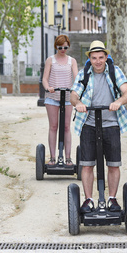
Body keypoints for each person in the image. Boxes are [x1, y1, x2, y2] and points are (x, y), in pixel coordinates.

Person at [70, 40, 127, 213]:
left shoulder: (115, 71)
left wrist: (118, 101)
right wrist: (79, 103)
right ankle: (89, 200)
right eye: (94, 58)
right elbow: (73, 95)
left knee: (113, 164)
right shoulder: (84, 74)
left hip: (111, 124)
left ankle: (112, 199)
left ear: (106, 57)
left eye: (101, 57)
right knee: (87, 164)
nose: (97, 61)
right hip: (88, 124)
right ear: (89, 58)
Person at [42, 35, 79, 167]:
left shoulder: (72, 61)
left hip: (67, 98)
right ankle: (52, 157)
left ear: (68, 46)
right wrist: (48, 88)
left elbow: (76, 77)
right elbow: (45, 79)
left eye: (65, 47)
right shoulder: (50, 60)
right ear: (56, 46)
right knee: (53, 126)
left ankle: (68, 157)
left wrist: (76, 89)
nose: (63, 49)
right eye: (60, 47)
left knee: (67, 127)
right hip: (52, 98)